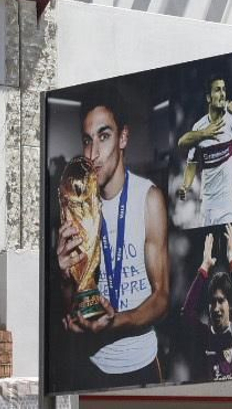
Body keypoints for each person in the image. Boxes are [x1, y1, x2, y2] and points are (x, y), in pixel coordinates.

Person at [55, 95, 170, 389]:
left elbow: (162, 298)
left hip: (142, 364)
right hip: (94, 368)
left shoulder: (149, 199)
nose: (93, 153)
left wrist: (114, 322)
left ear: (123, 137)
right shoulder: (78, 207)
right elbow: (74, 302)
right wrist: (65, 278)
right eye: (87, 140)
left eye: (104, 136)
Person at [181, 223, 232, 380]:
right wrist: (204, 268)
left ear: (230, 304)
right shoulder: (204, 335)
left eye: (221, 301)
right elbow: (187, 313)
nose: (216, 308)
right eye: (212, 302)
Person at [177, 76, 232, 225]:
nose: (222, 94)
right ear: (208, 97)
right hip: (206, 207)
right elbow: (191, 164)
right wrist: (185, 186)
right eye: (217, 90)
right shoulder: (199, 127)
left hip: (229, 206)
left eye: (224, 90)